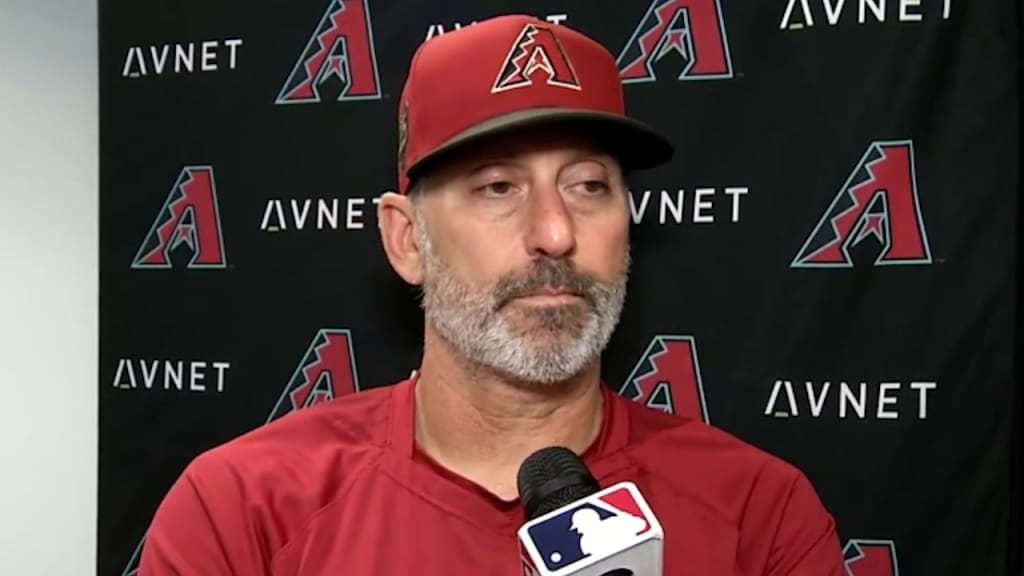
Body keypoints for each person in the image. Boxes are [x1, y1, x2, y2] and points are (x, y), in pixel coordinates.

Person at [139, 14, 846, 575]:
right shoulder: (242, 507)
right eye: (498, 187)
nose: (555, 233)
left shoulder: (757, 513)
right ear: (407, 239)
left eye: (589, 186)